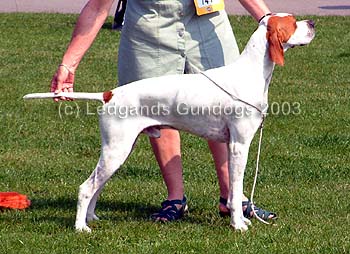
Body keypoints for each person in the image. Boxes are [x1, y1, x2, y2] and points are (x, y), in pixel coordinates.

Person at [50, 0, 277, 222]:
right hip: (150, 26)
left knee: (226, 112)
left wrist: (269, 19)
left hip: (208, 23)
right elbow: (98, 6)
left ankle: (233, 199)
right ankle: (175, 199)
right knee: (156, 110)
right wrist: (68, 64)